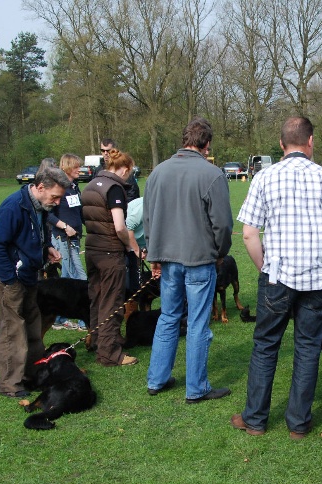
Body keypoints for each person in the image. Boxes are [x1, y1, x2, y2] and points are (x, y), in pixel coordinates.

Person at [230, 116, 322, 439]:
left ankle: (255, 420)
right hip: (318, 279)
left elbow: (248, 234)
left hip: (276, 277)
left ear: (282, 144)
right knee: (308, 347)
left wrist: (264, 268)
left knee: (265, 347)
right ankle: (298, 424)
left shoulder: (264, 177)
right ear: (310, 141)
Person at [143, 117, 233, 402]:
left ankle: (157, 379)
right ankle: (196, 387)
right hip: (198, 259)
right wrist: (220, 253)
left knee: (168, 317)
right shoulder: (211, 174)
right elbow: (223, 225)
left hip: (168, 258)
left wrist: (154, 255)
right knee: (197, 323)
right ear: (206, 144)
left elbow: (149, 218)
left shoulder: (157, 172)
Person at [0, 166, 70, 396]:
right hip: (11, 281)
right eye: (55, 196)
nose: (57, 202)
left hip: (31, 276)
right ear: (40, 187)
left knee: (33, 327)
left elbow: (36, 238)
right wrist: (9, 279)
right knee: (12, 331)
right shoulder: (13, 206)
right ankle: (9, 385)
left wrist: (47, 249)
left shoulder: (40, 206)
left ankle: (33, 375)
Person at [82, 148, 140, 367]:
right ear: (124, 169)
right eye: (130, 173)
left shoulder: (89, 185)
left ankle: (96, 340)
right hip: (110, 252)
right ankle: (110, 353)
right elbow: (119, 227)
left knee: (96, 299)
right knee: (112, 303)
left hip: (92, 249)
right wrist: (130, 246)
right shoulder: (114, 189)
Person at [48, 153, 88, 330]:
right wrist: (65, 227)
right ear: (68, 167)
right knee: (77, 278)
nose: (80, 169)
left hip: (75, 238)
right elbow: (47, 214)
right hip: (62, 238)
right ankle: (81, 319)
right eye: (77, 167)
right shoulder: (58, 188)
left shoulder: (74, 187)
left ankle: (57, 316)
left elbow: (78, 212)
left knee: (66, 278)